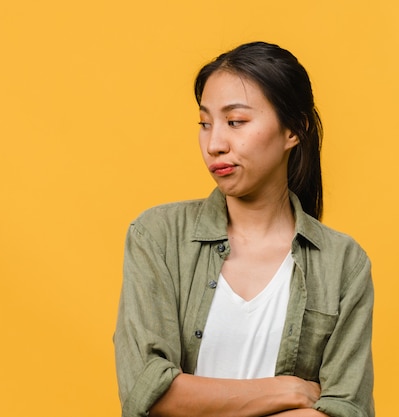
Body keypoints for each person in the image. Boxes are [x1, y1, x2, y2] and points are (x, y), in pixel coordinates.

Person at [114, 41, 374, 417]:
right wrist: (286, 391)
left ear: (294, 130)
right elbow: (146, 390)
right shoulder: (157, 237)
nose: (214, 144)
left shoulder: (343, 264)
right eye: (205, 124)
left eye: (235, 122)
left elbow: (347, 409)